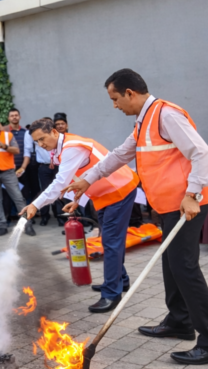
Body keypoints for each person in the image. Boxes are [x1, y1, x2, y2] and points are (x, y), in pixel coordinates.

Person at [64, 68, 208, 365]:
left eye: (115, 99)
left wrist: (192, 194)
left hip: (187, 206)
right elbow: (118, 155)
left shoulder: (166, 115)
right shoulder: (143, 122)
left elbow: (202, 153)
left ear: (130, 93)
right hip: (168, 207)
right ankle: (179, 321)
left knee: (186, 269)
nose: (115, 105)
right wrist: (87, 179)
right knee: (172, 264)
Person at [21, 119, 140, 313]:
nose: (41, 144)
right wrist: (77, 199)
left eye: (42, 139)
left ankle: (111, 294)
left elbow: (60, 182)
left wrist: (35, 204)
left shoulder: (71, 147)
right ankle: (121, 281)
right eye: (36, 142)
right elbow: (82, 175)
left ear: (53, 132)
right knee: (109, 240)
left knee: (111, 243)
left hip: (119, 190)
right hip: (106, 194)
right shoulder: (63, 147)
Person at [8, 108, 38, 206]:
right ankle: (13, 214)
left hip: (24, 167)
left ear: (20, 117)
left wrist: (23, 167)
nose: (14, 117)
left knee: (26, 191)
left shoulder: (26, 132)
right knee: (10, 191)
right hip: (9, 167)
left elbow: (28, 151)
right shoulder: (5, 133)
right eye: (12, 116)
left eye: (16, 115)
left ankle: (27, 213)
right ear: (8, 118)